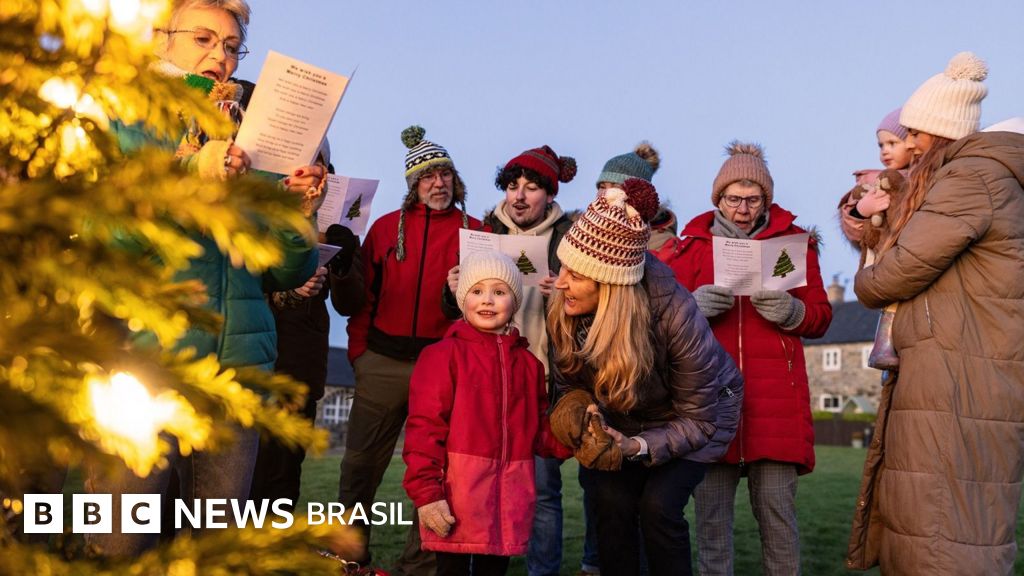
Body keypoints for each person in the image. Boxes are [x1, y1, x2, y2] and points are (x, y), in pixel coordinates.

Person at [87, 0, 320, 556]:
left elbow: (287, 270)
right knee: (121, 541)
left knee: (216, 546)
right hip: (145, 360)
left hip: (238, 366)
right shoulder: (124, 116)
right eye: (203, 38)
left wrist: (294, 214)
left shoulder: (250, 130)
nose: (221, 56)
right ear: (161, 38)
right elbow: (109, 235)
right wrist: (190, 178)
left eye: (233, 46)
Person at [846, 52, 1024, 575]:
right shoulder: (992, 178)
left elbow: (891, 277)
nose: (909, 145)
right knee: (954, 518)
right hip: (966, 373)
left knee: (939, 530)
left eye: (917, 133)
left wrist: (866, 271)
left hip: (954, 380)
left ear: (941, 132)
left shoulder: (970, 180)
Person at [547, 178, 743, 576]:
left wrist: (635, 445)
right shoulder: (566, 308)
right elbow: (571, 383)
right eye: (563, 266)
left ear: (610, 285)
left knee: (658, 510)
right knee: (610, 504)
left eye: (577, 274)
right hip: (622, 418)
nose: (561, 281)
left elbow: (699, 419)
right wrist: (583, 415)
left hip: (696, 418)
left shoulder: (675, 314)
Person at [669, 141, 831, 575]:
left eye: (753, 199)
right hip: (710, 405)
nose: (742, 208)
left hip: (775, 404)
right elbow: (661, 323)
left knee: (779, 525)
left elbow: (820, 317)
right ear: (717, 198)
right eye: (733, 198)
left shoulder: (795, 247)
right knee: (711, 528)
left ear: (767, 199)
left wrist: (795, 312)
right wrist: (692, 307)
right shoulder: (691, 249)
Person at [341, 125, 482, 574]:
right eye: (427, 177)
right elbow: (363, 297)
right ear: (412, 185)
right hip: (382, 361)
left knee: (436, 474)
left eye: (444, 175)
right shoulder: (385, 229)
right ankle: (348, 555)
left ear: (455, 181)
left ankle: (418, 565)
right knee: (360, 467)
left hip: (442, 367)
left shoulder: (475, 232)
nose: (437, 184)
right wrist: (360, 353)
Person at [443, 145, 576, 576]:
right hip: (486, 380)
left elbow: (598, 308)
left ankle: (542, 571)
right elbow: (456, 312)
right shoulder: (482, 233)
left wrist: (570, 298)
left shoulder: (570, 240)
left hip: (544, 376)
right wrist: (453, 290)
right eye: (512, 185)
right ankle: (475, 562)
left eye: (531, 187)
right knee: (473, 484)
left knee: (544, 487)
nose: (519, 196)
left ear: (549, 195)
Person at [404, 251, 571, 576]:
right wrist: (427, 494)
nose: (487, 300)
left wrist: (575, 438)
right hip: (458, 497)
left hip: (510, 498)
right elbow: (424, 429)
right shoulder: (442, 355)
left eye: (499, 291)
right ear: (463, 297)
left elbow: (538, 432)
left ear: (515, 300)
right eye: (477, 291)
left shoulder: (529, 365)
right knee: (450, 570)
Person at [577, 141, 661, 576]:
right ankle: (595, 562)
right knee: (598, 489)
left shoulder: (652, 253)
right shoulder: (583, 235)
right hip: (599, 387)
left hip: (642, 396)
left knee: (643, 503)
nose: (606, 197)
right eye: (601, 188)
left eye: (617, 190)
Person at [837, 108, 913, 256]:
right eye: (881, 145)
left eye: (892, 143)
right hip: (878, 259)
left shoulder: (921, 177)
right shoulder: (871, 181)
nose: (884, 150)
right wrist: (859, 211)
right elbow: (853, 232)